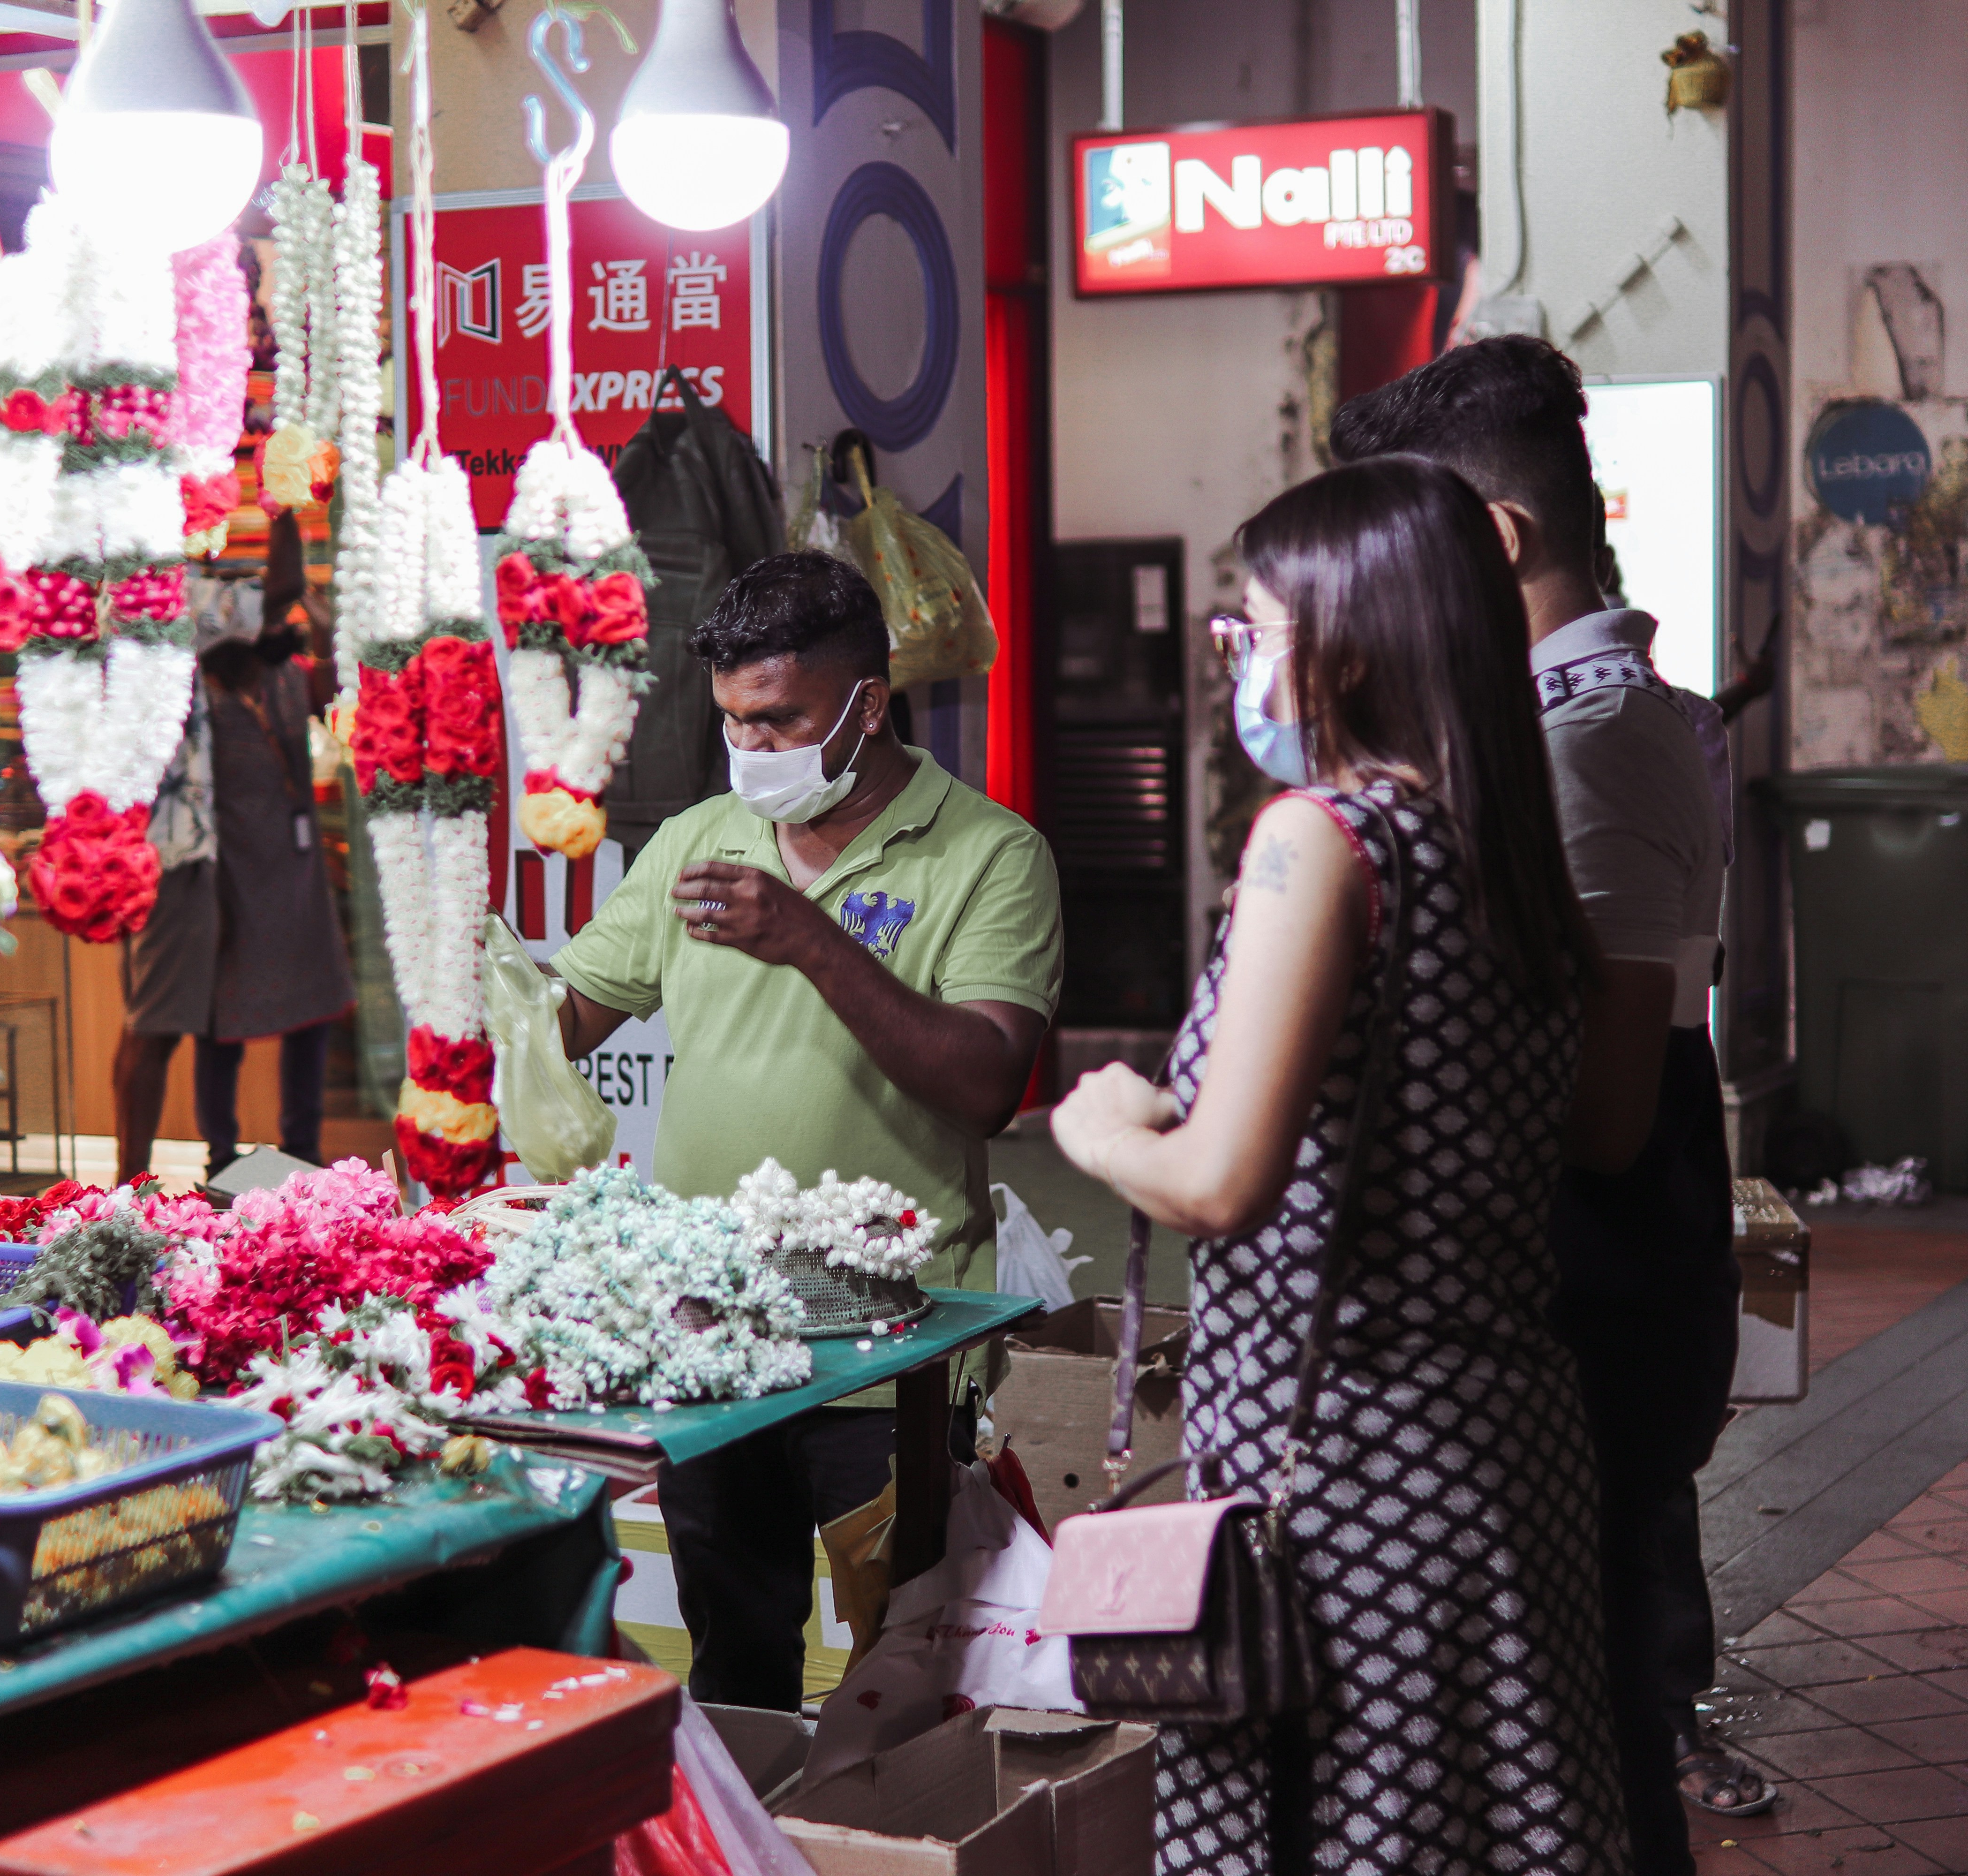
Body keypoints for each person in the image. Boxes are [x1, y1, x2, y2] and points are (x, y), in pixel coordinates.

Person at [1051, 457, 1631, 1876]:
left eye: (1255, 629)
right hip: (1502, 1470)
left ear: (1355, 644)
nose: (1239, 664)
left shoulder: (1325, 841)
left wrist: (1102, 1124)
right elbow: (1597, 1131)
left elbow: (1222, 1182)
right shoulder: (1502, 849)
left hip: (1345, 1493)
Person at [1332, 336, 1758, 1873]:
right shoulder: (1581, 723)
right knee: (1577, 1717)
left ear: (1493, 542)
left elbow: (1601, 1111)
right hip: (1599, 1275)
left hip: (1594, 1278)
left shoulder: (1585, 748)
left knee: (1595, 1727)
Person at [543, 550, 1062, 1711]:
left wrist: (810, 938)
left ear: (866, 705)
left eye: (778, 721)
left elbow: (985, 1083)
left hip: (892, 1353)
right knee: (735, 1656)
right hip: (713, 1340)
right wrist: (479, 1012)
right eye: (734, 723)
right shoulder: (696, 841)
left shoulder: (990, 854)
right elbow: (563, 1022)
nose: (751, 752)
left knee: (919, 1660)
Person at [111, 528, 354, 1185]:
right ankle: (222, 1159)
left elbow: (333, 686)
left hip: (296, 874)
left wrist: (318, 615)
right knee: (223, 1023)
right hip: (230, 878)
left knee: (313, 1014)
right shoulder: (195, 700)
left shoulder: (281, 677)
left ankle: (302, 1148)